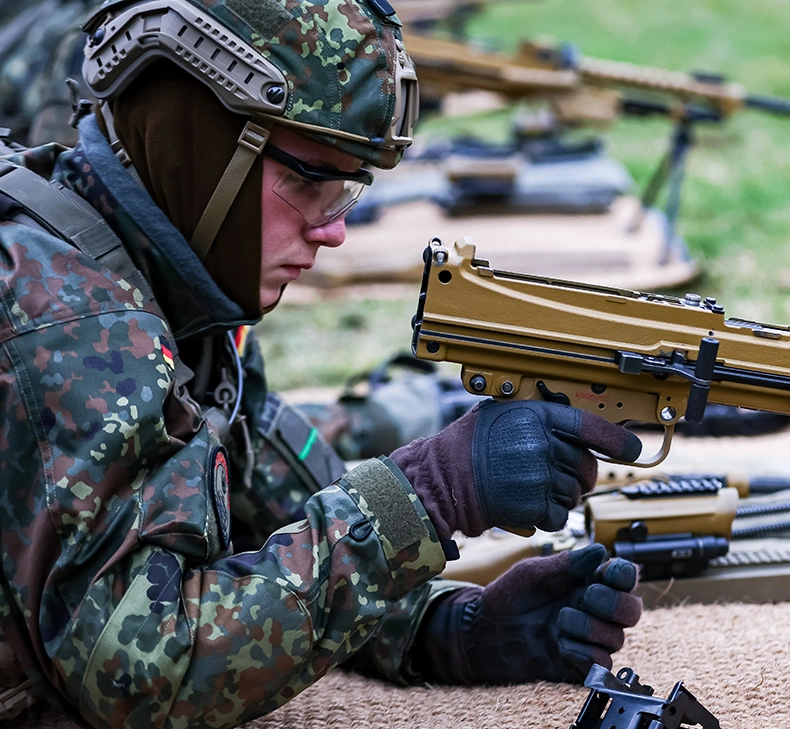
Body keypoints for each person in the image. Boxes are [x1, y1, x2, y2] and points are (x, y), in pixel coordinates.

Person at [0, 1, 645, 727]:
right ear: (200, 146)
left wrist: (444, 630)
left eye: (348, 188)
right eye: (311, 181)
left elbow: (266, 488)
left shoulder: (164, 286)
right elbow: (142, 676)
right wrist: (433, 490)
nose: (334, 229)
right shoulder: (76, 321)